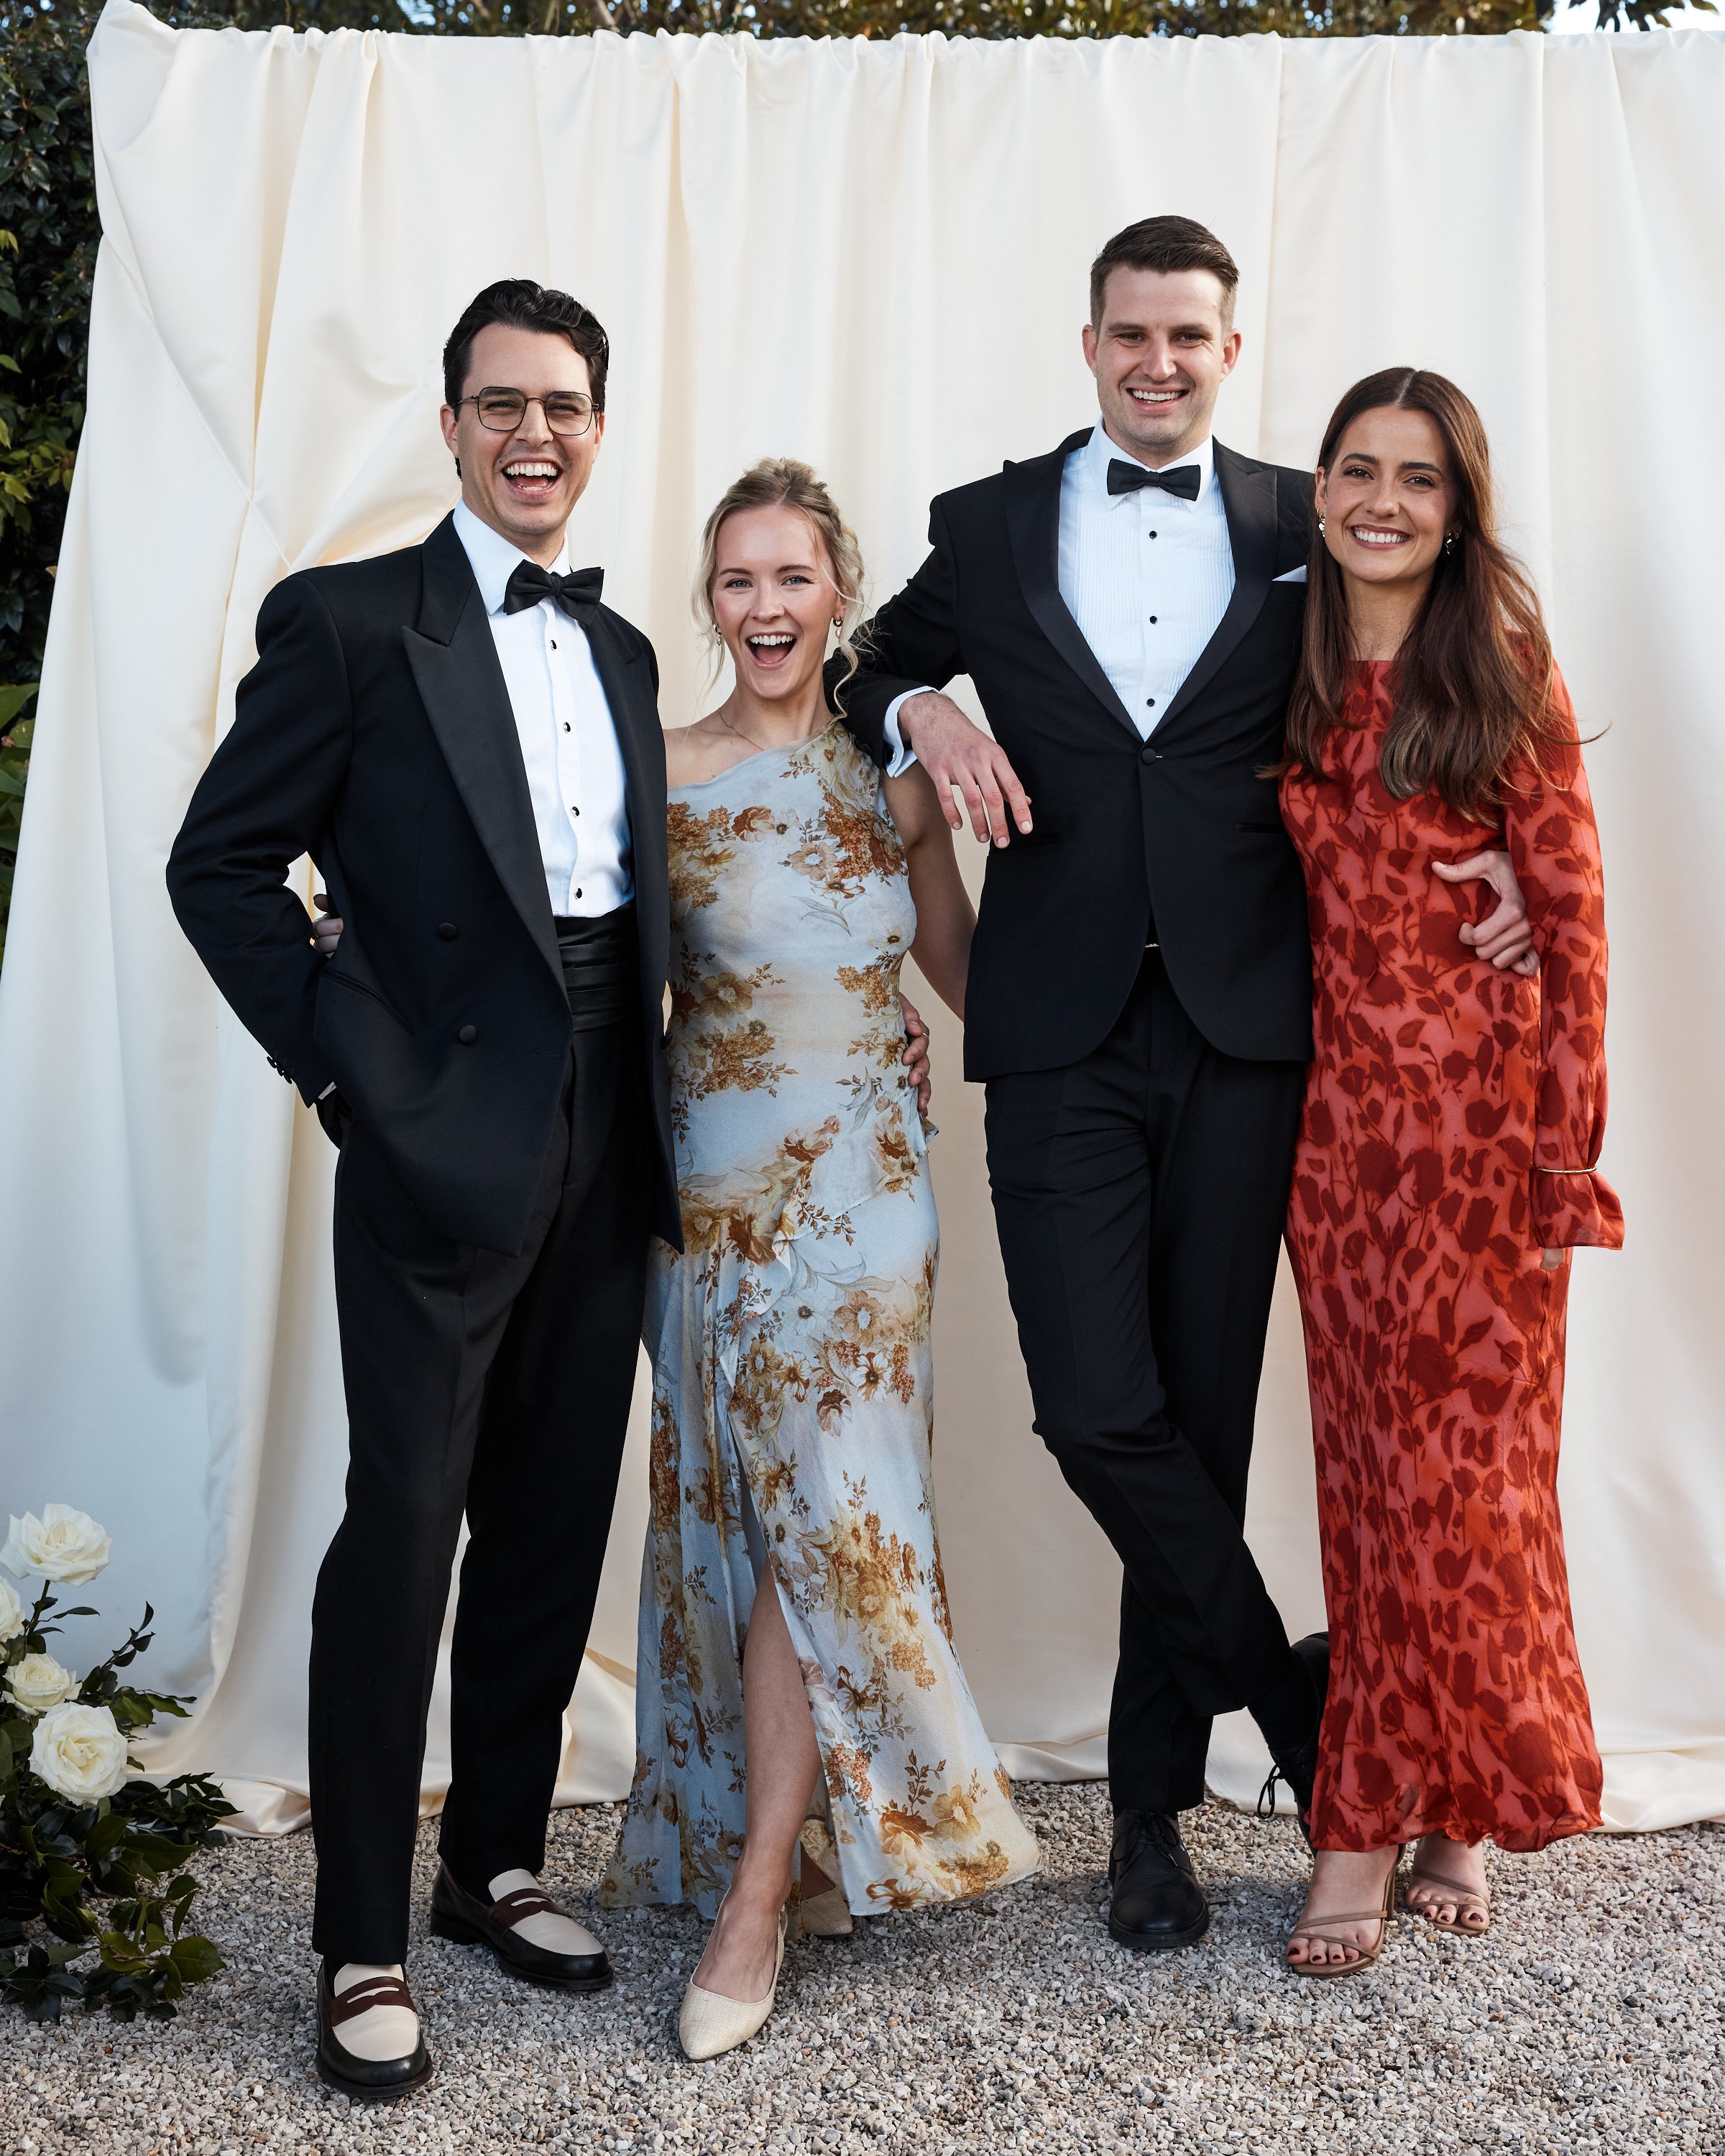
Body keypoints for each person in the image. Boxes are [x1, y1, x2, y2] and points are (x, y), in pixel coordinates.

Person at [821, 216, 1537, 1953]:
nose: (1160, 363)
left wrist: (1517, 846)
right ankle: (1304, 1709)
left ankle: (1151, 1821)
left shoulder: (1312, 516)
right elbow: (860, 669)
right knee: (1095, 1408)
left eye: (1191, 338)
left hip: (1251, 1029)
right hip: (1055, 1022)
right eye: (1132, 334)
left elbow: (1456, 658)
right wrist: (926, 712)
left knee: (1199, 1424)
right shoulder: (987, 526)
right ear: (1089, 344)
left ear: (1231, 348)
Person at [167, 281, 683, 2100]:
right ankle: (360, 1942)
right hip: (437, 1125)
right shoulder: (352, 620)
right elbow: (219, 864)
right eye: (499, 405)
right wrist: (344, 1070)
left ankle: (493, 1867)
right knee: (404, 1528)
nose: (533, 433)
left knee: (553, 1518)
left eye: (563, 405)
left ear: (598, 429)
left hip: (615, 1114)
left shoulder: (619, 656)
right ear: (450, 424)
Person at [597, 460, 1040, 2060]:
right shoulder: (655, 776)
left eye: (792, 578)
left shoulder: (893, 779)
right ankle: (809, 1847)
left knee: (824, 1521)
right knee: (752, 1522)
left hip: (874, 1213)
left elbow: (973, 983)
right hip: (713, 1210)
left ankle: (759, 1896)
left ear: (839, 592)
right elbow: (587, 986)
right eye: (736, 581)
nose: (766, 608)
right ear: (710, 603)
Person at [1276, 369, 1622, 1976]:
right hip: (1339, 1148)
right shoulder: (1272, 645)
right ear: (1323, 483)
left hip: (1483, 1143)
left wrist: (1568, 1153)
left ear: (1458, 503)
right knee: (1368, 1485)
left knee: (1475, 1492)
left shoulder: (1499, 663)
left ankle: (1424, 1810)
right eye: (1360, 470)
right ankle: (1401, 1791)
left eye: (1421, 479)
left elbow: (1575, 917)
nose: (1386, 503)